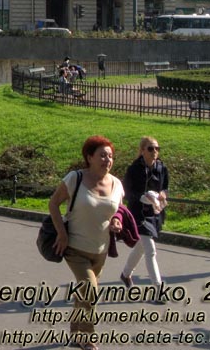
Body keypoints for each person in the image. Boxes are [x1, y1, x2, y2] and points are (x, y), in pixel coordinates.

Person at [48, 136, 124, 350]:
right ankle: (88, 338)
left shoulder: (116, 183)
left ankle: (74, 332)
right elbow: (53, 204)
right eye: (102, 155)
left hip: (100, 250)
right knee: (90, 292)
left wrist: (117, 220)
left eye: (110, 156)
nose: (107, 160)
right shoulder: (75, 178)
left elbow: (119, 209)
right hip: (74, 248)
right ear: (89, 157)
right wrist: (61, 233)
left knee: (84, 295)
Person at [120, 137, 169, 289]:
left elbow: (166, 187)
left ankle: (126, 274)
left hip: (154, 212)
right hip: (138, 213)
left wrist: (163, 194)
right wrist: (142, 197)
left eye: (157, 148)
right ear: (142, 151)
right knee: (150, 249)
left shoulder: (161, 167)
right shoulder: (134, 169)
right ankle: (158, 287)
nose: (154, 151)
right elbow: (127, 192)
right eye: (150, 148)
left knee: (141, 246)